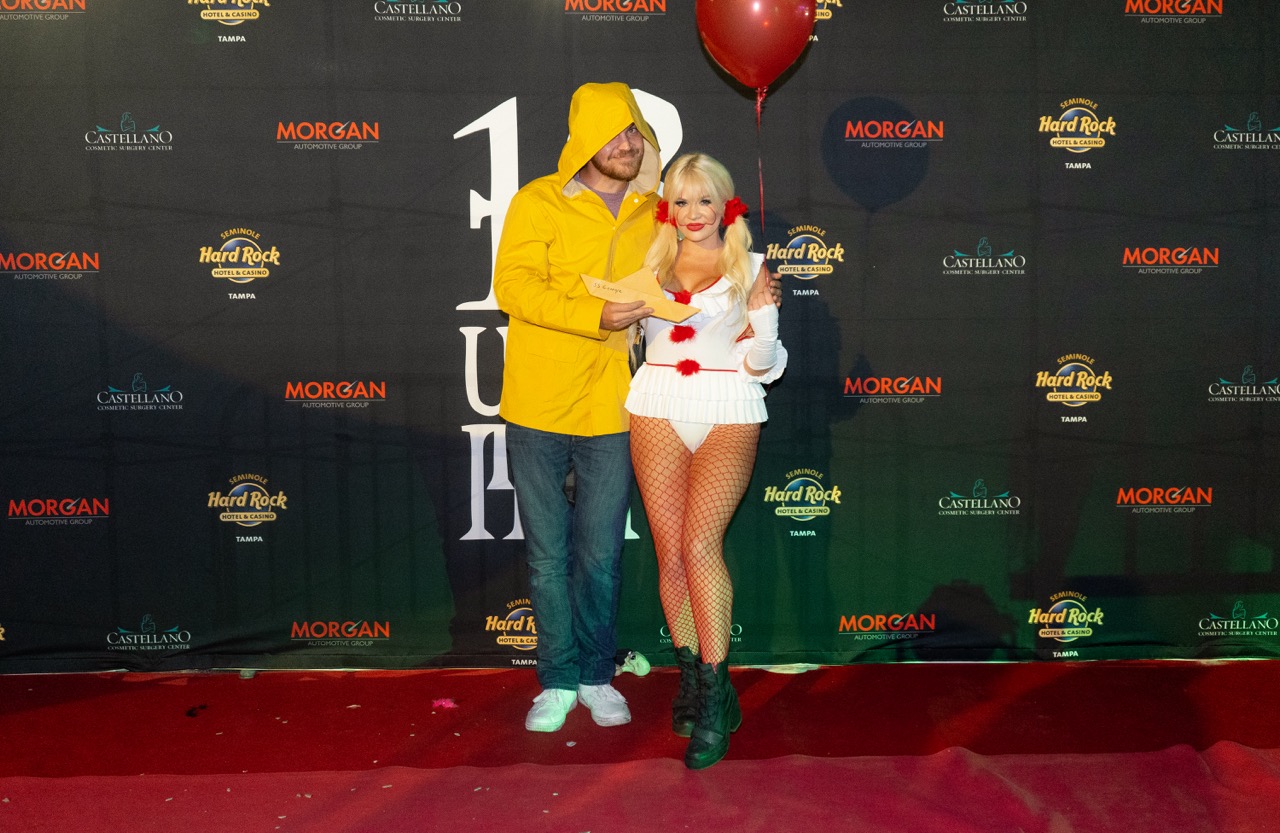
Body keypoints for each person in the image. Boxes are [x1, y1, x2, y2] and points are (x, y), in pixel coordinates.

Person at [494, 82, 660, 733]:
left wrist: (748, 281)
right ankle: (558, 680)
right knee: (546, 557)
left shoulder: (655, 212)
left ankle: (596, 675)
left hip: (613, 407)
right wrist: (596, 314)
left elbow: (692, 276)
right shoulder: (537, 201)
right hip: (538, 403)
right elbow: (513, 287)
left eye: (633, 131)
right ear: (585, 139)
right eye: (613, 133)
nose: (626, 144)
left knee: (600, 556)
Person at [626, 153, 786, 769]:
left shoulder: (753, 267)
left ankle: (718, 694)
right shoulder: (649, 265)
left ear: (726, 205)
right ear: (669, 208)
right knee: (670, 552)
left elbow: (764, 367)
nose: (694, 214)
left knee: (699, 546)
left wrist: (764, 324)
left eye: (705, 200)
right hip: (657, 405)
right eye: (682, 201)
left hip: (728, 407)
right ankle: (691, 678)